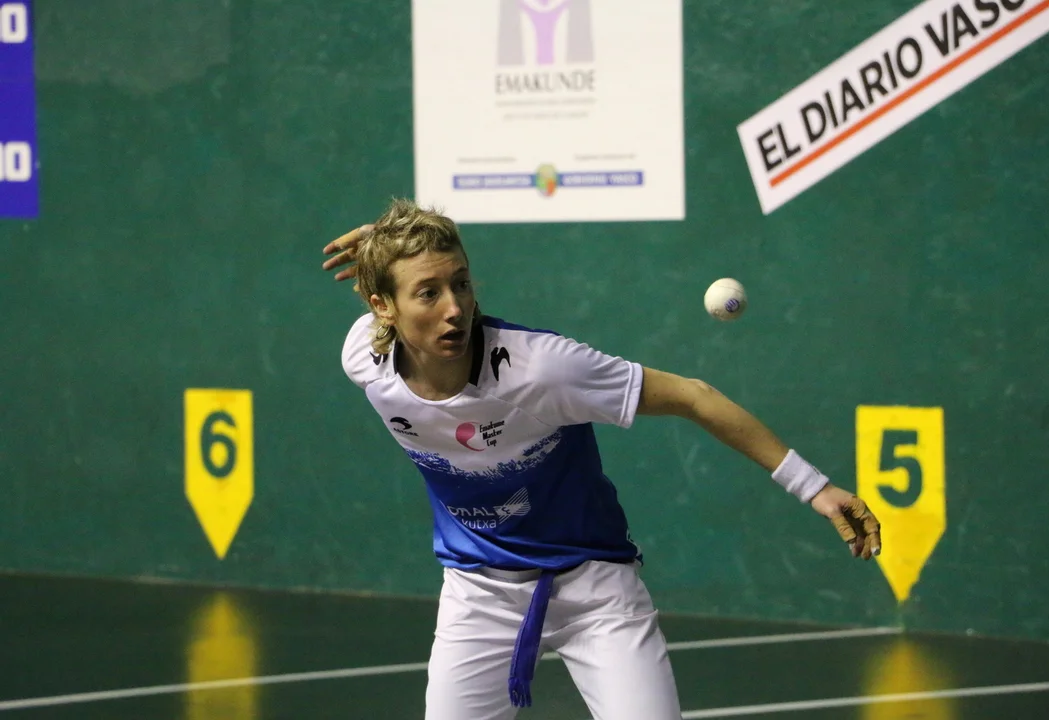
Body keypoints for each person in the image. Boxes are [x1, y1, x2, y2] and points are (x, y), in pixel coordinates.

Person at [321, 198, 881, 720]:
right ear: (382, 306)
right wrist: (383, 247)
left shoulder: (542, 369)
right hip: (479, 592)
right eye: (428, 293)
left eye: (461, 283)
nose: (455, 309)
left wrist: (813, 486)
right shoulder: (365, 359)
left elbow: (693, 396)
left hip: (594, 589)